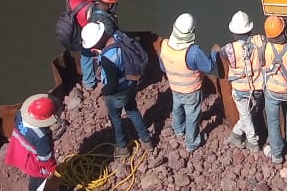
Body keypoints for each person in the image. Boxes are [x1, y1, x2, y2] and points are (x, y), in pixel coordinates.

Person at [82, 22, 153, 158]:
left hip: (117, 92)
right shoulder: (118, 36)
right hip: (130, 84)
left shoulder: (107, 59)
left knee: (115, 118)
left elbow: (112, 83)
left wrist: (105, 91)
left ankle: (122, 148)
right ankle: (147, 141)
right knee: (132, 111)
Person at [3, 94, 71, 191]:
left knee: (34, 181)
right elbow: (45, 159)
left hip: (21, 153)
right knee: (44, 185)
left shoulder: (21, 113)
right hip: (35, 162)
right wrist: (53, 171)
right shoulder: (41, 136)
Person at [158, 13, 215, 152]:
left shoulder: (164, 45)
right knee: (192, 115)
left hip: (175, 87)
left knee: (177, 108)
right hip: (191, 90)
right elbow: (208, 67)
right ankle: (192, 142)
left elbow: (162, 67)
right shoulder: (193, 52)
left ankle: (178, 129)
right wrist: (214, 53)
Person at [217, 10, 266, 152]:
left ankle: (253, 142)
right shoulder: (260, 40)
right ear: (250, 29)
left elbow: (220, 53)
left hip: (240, 89)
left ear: (234, 32)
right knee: (248, 113)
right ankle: (236, 134)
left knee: (245, 115)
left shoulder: (229, 48)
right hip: (257, 87)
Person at [261, 15, 287, 164]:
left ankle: (277, 154)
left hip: (272, 90)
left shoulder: (265, 47)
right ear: (284, 30)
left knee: (273, 122)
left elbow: (261, 60)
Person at [65, 0, 110, 90]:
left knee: (85, 57)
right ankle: (106, 81)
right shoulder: (89, 8)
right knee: (103, 55)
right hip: (92, 35)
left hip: (80, 35)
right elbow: (100, 19)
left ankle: (88, 83)